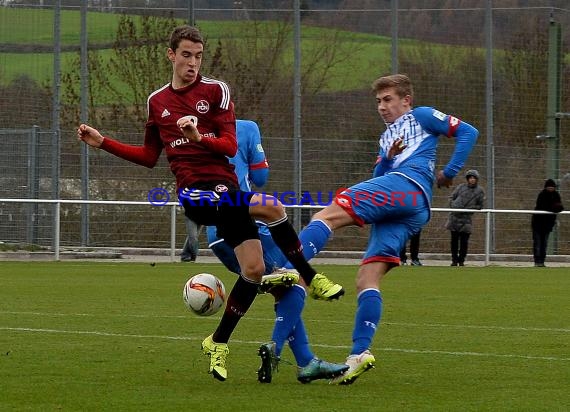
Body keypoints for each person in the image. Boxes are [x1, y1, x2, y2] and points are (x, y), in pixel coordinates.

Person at [76, 25, 343, 382]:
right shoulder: (158, 101)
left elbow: (230, 147)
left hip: (226, 189)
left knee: (253, 270)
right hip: (195, 193)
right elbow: (149, 156)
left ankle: (216, 341)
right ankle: (312, 278)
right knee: (273, 206)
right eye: (186, 55)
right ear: (171, 55)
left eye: (198, 56)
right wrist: (102, 142)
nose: (192, 63)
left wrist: (199, 136)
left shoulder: (216, 91)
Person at [267, 74, 479, 385]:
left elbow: (468, 132)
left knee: (324, 216)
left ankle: (289, 269)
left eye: (388, 99)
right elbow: (379, 172)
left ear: (406, 101)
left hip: (407, 188)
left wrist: (449, 172)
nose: (382, 106)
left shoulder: (420, 116)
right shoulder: (386, 138)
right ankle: (359, 354)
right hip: (411, 209)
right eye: (379, 101)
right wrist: (388, 158)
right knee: (367, 277)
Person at [207, 119, 348, 383]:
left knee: (285, 285)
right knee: (297, 277)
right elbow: (260, 178)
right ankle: (280, 349)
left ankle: (306, 362)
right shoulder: (245, 128)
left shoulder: (194, 129)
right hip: (241, 224)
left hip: (214, 234)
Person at [445, 169, 485, 266]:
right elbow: (451, 198)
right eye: (470, 178)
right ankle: (454, 260)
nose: (472, 180)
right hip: (454, 218)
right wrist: (454, 206)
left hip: (466, 220)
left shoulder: (480, 191)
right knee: (454, 241)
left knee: (464, 242)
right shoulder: (460, 187)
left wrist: (468, 209)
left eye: (474, 178)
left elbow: (480, 206)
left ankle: (461, 260)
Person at [531, 178, 564, 267]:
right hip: (537, 224)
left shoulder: (556, 195)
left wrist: (553, 208)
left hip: (548, 225)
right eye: (549, 187)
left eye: (552, 187)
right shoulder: (542, 195)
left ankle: (542, 261)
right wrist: (554, 207)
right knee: (537, 243)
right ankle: (537, 261)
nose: (550, 189)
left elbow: (560, 207)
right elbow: (542, 206)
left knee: (544, 243)